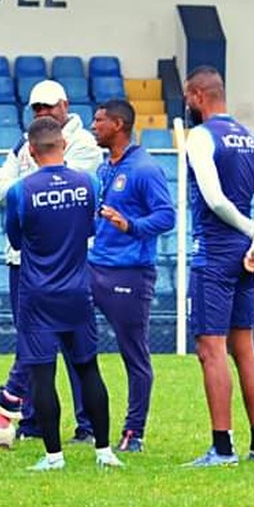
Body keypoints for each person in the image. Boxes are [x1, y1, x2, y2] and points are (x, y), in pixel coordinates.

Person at [0, 79, 102, 443]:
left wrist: (29, 183)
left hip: (65, 259)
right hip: (23, 260)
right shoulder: (23, 144)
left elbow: (59, 189)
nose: (42, 113)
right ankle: (31, 419)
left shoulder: (86, 146)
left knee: (76, 351)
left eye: (47, 107)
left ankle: (80, 423)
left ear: (65, 105)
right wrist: (32, 183)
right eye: (36, 108)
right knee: (34, 340)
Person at [4, 116, 123, 472]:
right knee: (88, 368)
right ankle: (103, 450)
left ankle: (54, 455)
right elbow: (89, 228)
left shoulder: (20, 191)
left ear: (30, 150)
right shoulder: (88, 184)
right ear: (64, 145)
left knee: (42, 374)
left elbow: (15, 240)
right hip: (77, 290)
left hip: (38, 293)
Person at [182, 66, 254, 467]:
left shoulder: (201, 137)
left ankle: (223, 447)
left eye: (188, 98)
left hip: (215, 251)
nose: (187, 105)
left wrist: (248, 227)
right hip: (244, 254)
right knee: (245, 347)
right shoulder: (247, 137)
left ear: (198, 95)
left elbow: (215, 199)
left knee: (211, 348)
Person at [90, 100, 175, 453]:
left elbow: (166, 216)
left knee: (133, 354)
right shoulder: (104, 168)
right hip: (93, 265)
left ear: (119, 124)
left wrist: (131, 225)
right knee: (65, 337)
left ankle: (133, 432)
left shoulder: (145, 169)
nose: (94, 127)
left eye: (99, 121)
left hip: (130, 272)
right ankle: (81, 424)